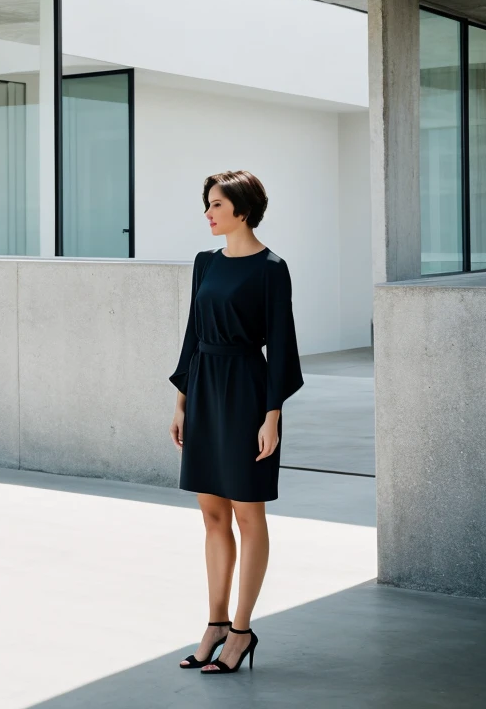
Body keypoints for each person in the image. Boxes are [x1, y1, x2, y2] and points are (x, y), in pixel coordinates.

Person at [168, 169, 303, 674]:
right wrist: (181, 401)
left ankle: (242, 630)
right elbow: (191, 333)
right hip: (204, 387)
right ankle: (215, 623)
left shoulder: (272, 268)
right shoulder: (205, 263)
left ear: (242, 210)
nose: (208, 213)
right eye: (207, 204)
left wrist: (273, 416)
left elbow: (283, 343)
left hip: (247, 391)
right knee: (212, 515)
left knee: (249, 515)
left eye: (217, 205)